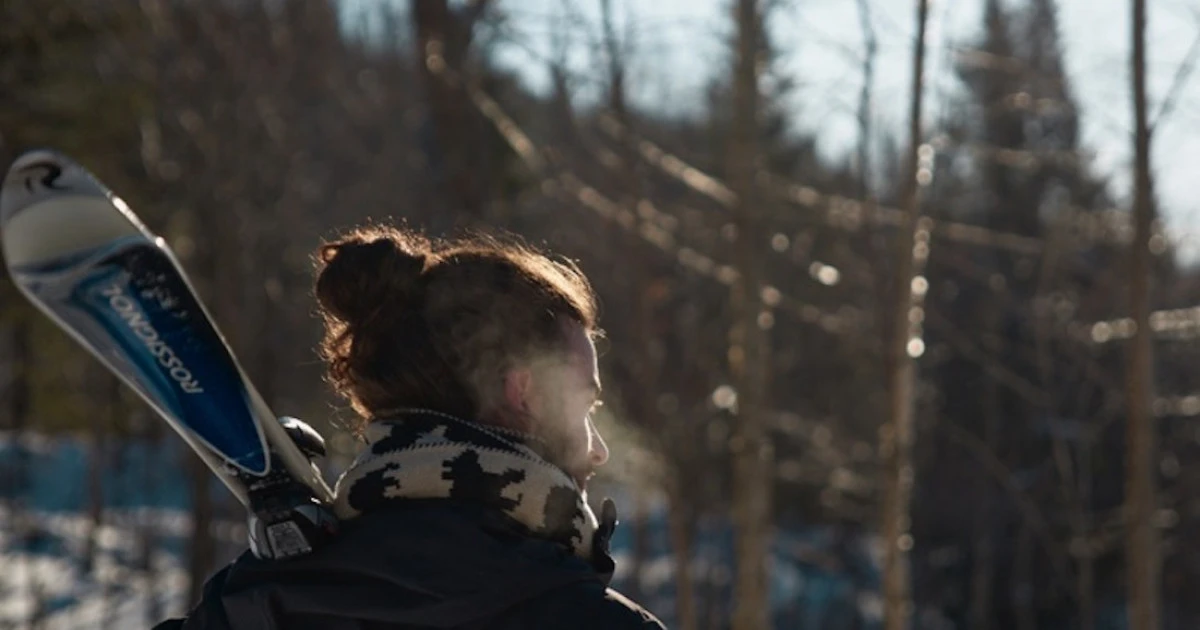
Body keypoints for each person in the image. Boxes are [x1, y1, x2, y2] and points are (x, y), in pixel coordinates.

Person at [154, 224, 666, 629]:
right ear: (525, 392)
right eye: (584, 404)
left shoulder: (260, 605)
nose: (599, 450)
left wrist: (254, 597)